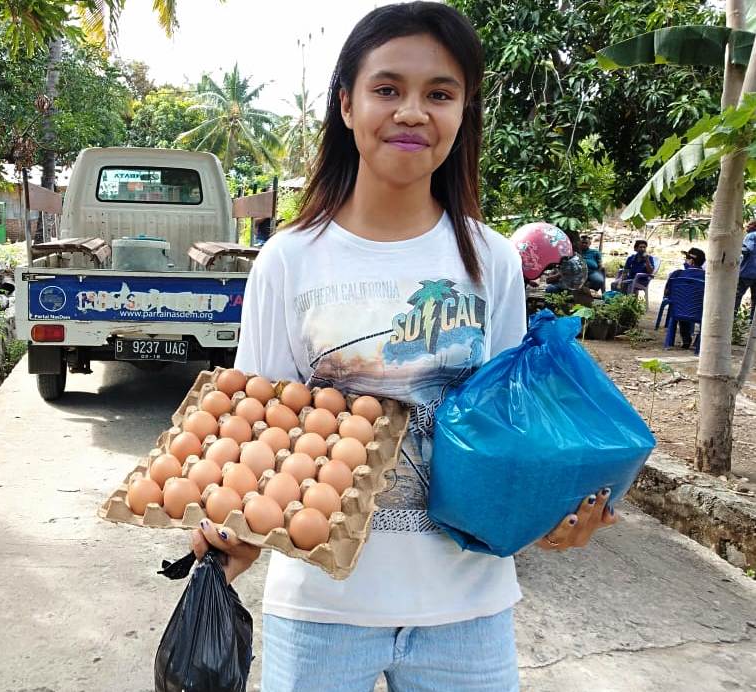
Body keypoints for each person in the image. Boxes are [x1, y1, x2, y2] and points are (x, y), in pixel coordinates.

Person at [190, 5, 616, 690]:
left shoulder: (492, 260)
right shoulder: (290, 261)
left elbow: (510, 425)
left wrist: (549, 512)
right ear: (347, 106)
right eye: (387, 89)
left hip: (467, 608)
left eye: (439, 94)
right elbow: (253, 430)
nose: (412, 112)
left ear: (462, 112)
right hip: (322, 609)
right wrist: (234, 528)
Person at [666, 247, 706, 349]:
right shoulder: (707, 277)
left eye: (686, 258)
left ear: (691, 261)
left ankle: (685, 340)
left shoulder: (677, 274)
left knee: (682, 304)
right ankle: (698, 342)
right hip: (699, 312)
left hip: (678, 311)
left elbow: (667, 293)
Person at [737, 221, 756, 322]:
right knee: (755, 300)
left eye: (749, 225)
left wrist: (737, 247)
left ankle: (733, 318)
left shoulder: (751, 235)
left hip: (747, 272)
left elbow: (748, 249)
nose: (747, 227)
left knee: (737, 296)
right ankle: (752, 322)